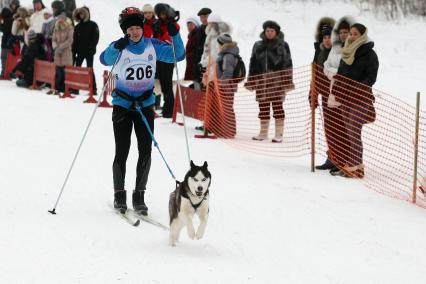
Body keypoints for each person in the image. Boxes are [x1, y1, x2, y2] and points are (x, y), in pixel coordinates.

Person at [99, 7, 184, 214]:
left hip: (145, 106)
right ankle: (120, 195)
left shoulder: (152, 44)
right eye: (131, 29)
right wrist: (115, 48)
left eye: (138, 28)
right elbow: (104, 59)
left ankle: (139, 196)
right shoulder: (119, 47)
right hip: (123, 105)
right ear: (125, 30)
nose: (135, 32)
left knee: (146, 150)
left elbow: (178, 55)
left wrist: (175, 33)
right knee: (122, 150)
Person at [331, 23, 379, 178]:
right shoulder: (346, 52)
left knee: (353, 131)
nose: (351, 36)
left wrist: (357, 88)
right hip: (345, 98)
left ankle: (356, 168)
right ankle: (353, 165)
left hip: (360, 99)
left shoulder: (370, 54)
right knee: (349, 133)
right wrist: (337, 88)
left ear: (362, 35)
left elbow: (371, 78)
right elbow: (340, 73)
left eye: (355, 34)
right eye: (350, 34)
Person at [246, 20, 293, 143]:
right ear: (264, 31)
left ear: (276, 32)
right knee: (263, 107)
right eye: (267, 30)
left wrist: (287, 81)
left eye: (272, 31)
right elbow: (253, 63)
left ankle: (279, 133)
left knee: (278, 107)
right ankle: (263, 133)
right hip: (262, 82)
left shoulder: (283, 45)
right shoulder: (258, 45)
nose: (269, 33)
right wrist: (251, 80)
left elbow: (288, 64)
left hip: (277, 82)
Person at [322, 16, 353, 174]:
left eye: (346, 32)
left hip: (344, 93)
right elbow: (325, 66)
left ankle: (345, 160)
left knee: (343, 128)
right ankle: (335, 158)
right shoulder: (335, 48)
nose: (343, 35)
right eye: (341, 32)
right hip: (331, 93)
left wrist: (333, 73)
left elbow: (345, 71)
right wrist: (333, 72)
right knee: (332, 128)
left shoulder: (352, 49)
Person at [310, 17, 336, 170]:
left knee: (338, 128)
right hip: (324, 95)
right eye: (325, 37)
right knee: (329, 128)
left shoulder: (338, 53)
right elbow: (315, 73)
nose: (327, 40)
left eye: (330, 37)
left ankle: (341, 158)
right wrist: (312, 93)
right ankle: (332, 157)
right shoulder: (319, 52)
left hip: (336, 97)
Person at [153, 3, 180, 118]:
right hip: (158, 57)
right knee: (161, 84)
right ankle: (166, 107)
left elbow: (171, 40)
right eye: (159, 14)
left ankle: (169, 109)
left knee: (167, 85)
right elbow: (155, 39)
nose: (161, 16)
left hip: (168, 58)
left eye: (163, 14)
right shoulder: (159, 24)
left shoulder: (172, 25)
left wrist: (162, 34)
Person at [215, 33, 239, 138]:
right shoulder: (226, 53)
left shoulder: (228, 55)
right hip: (227, 85)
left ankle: (228, 131)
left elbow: (228, 72)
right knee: (226, 108)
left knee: (227, 108)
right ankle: (228, 130)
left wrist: (221, 85)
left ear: (222, 43)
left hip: (226, 86)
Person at [72, 6, 99, 93]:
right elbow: (75, 40)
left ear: (87, 14)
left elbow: (95, 38)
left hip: (89, 52)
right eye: (80, 13)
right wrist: (74, 51)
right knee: (77, 69)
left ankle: (93, 89)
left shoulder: (93, 25)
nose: (81, 15)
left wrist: (92, 49)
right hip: (80, 52)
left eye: (83, 13)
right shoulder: (77, 27)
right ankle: (75, 88)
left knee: (90, 69)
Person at [51, 14, 73, 95]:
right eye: (59, 18)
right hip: (57, 52)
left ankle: (65, 89)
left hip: (66, 52)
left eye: (62, 19)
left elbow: (70, 40)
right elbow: (53, 39)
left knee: (65, 72)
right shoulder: (56, 28)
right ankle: (57, 88)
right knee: (58, 72)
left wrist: (61, 47)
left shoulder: (69, 28)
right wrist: (56, 47)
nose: (60, 20)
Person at [194, 7, 211, 86]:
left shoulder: (214, 29)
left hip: (210, 62)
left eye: (205, 16)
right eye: (201, 17)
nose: (203, 19)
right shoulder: (199, 30)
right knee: (201, 86)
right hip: (199, 62)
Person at [184, 17, 199, 81]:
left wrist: (190, 55)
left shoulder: (197, 35)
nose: (189, 27)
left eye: (191, 25)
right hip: (190, 62)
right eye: (188, 25)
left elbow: (197, 49)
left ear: (195, 25)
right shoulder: (191, 35)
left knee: (195, 81)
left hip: (194, 63)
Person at [0, 7, 13, 77]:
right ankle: (7, 73)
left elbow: (4, 30)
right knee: (7, 58)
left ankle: (4, 73)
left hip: (6, 42)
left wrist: (1, 24)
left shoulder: (8, 20)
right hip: (9, 42)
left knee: (4, 58)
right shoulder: (10, 19)